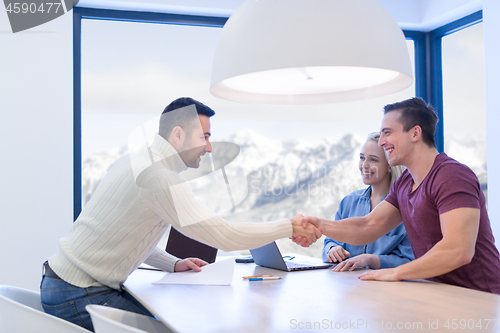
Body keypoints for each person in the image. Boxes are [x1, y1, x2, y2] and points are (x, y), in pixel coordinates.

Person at [40, 97, 321, 331]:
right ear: (178, 135)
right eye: (204, 137)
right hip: (78, 293)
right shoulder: (159, 178)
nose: (209, 147)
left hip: (63, 283)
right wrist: (291, 227)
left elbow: (124, 233)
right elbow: (226, 236)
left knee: (165, 319)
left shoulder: (133, 161)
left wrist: (173, 264)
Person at [298, 97, 500, 294]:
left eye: (387, 133)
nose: (382, 141)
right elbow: (368, 225)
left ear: (415, 133)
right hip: (441, 296)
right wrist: (318, 225)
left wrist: (396, 272)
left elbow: (459, 250)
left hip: (482, 299)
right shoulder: (404, 183)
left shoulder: (452, 176)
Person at [323, 132, 414, 272]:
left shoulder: (405, 208)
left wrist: (371, 260)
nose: (364, 165)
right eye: (362, 158)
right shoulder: (348, 202)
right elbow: (331, 240)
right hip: (347, 283)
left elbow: (410, 261)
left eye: (373, 160)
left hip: (386, 288)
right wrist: (332, 249)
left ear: (390, 165)